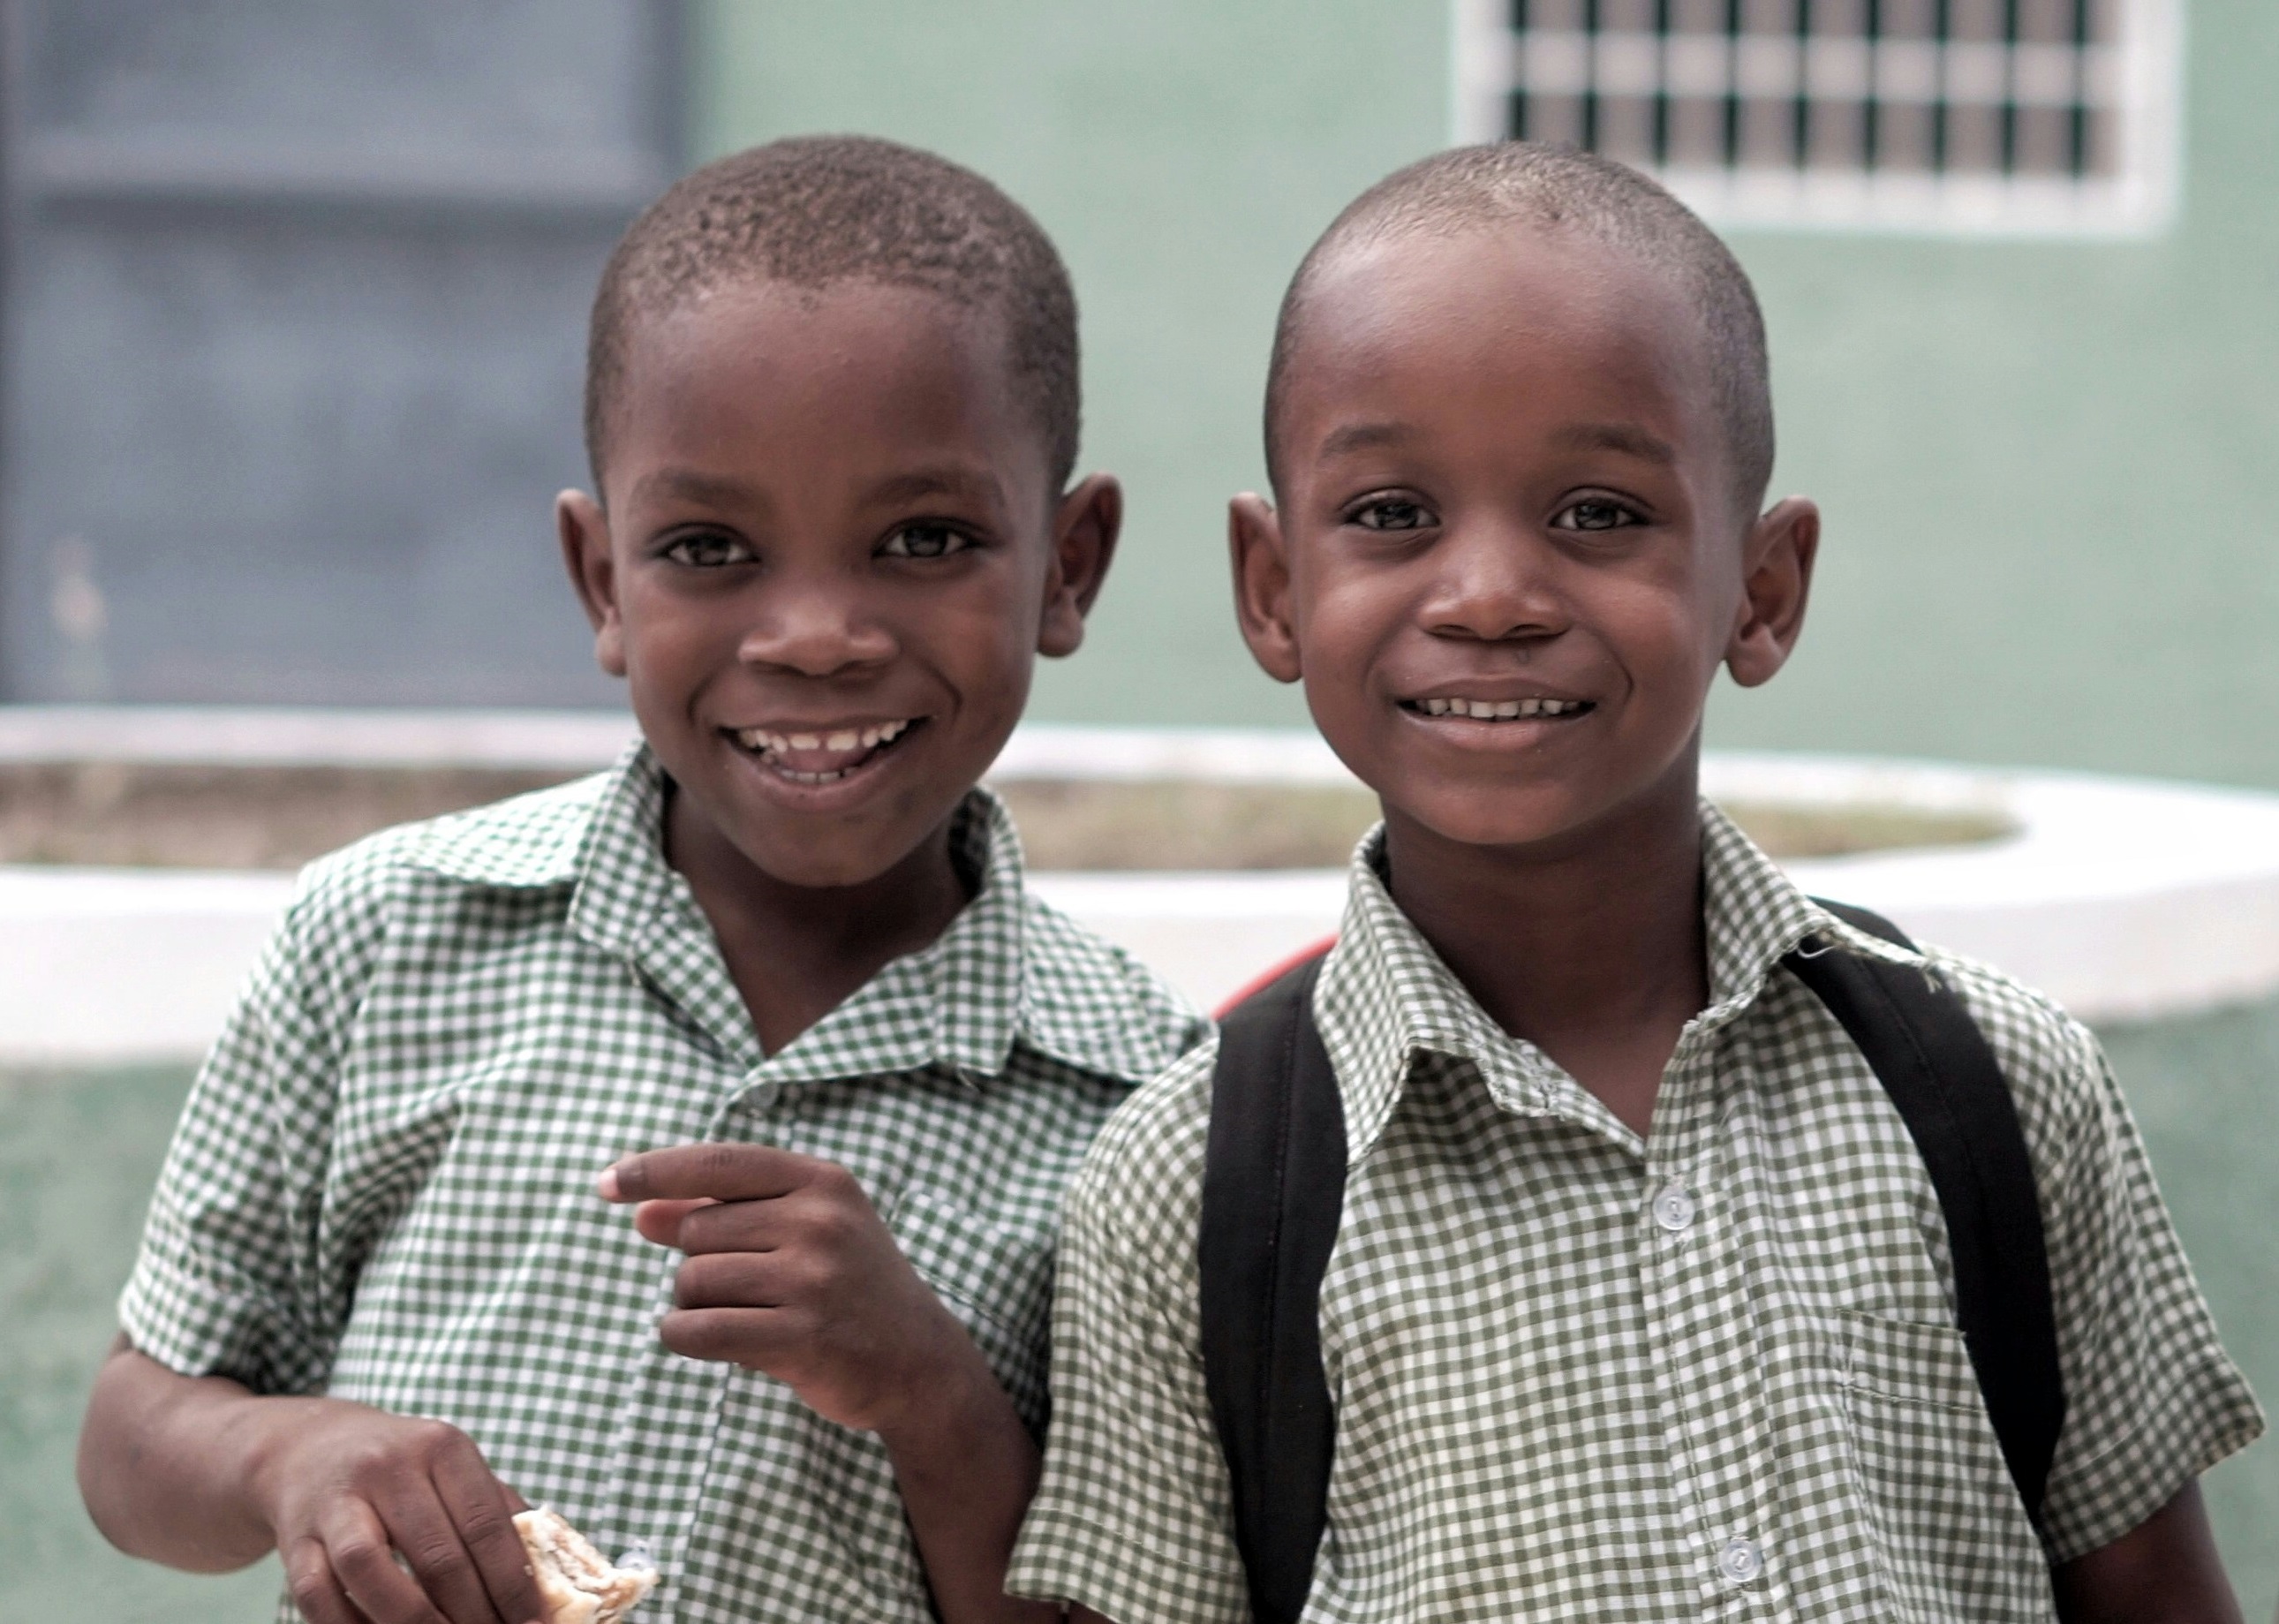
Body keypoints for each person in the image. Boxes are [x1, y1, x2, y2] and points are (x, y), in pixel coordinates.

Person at [1007, 143, 2262, 1622]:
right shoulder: (1196, 1190)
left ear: (1762, 588)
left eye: (1597, 514)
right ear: (1272, 589)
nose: (1487, 598)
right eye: (1391, 515)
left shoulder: (1990, 1084)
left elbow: (2154, 1592)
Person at [77, 135, 1204, 1624]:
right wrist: (288, 1456)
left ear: (1067, 564)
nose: (813, 635)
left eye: (922, 539)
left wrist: (930, 1391)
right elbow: (129, 1443)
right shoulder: (387, 939)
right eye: (709, 548)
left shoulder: (1143, 1102)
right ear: (601, 580)